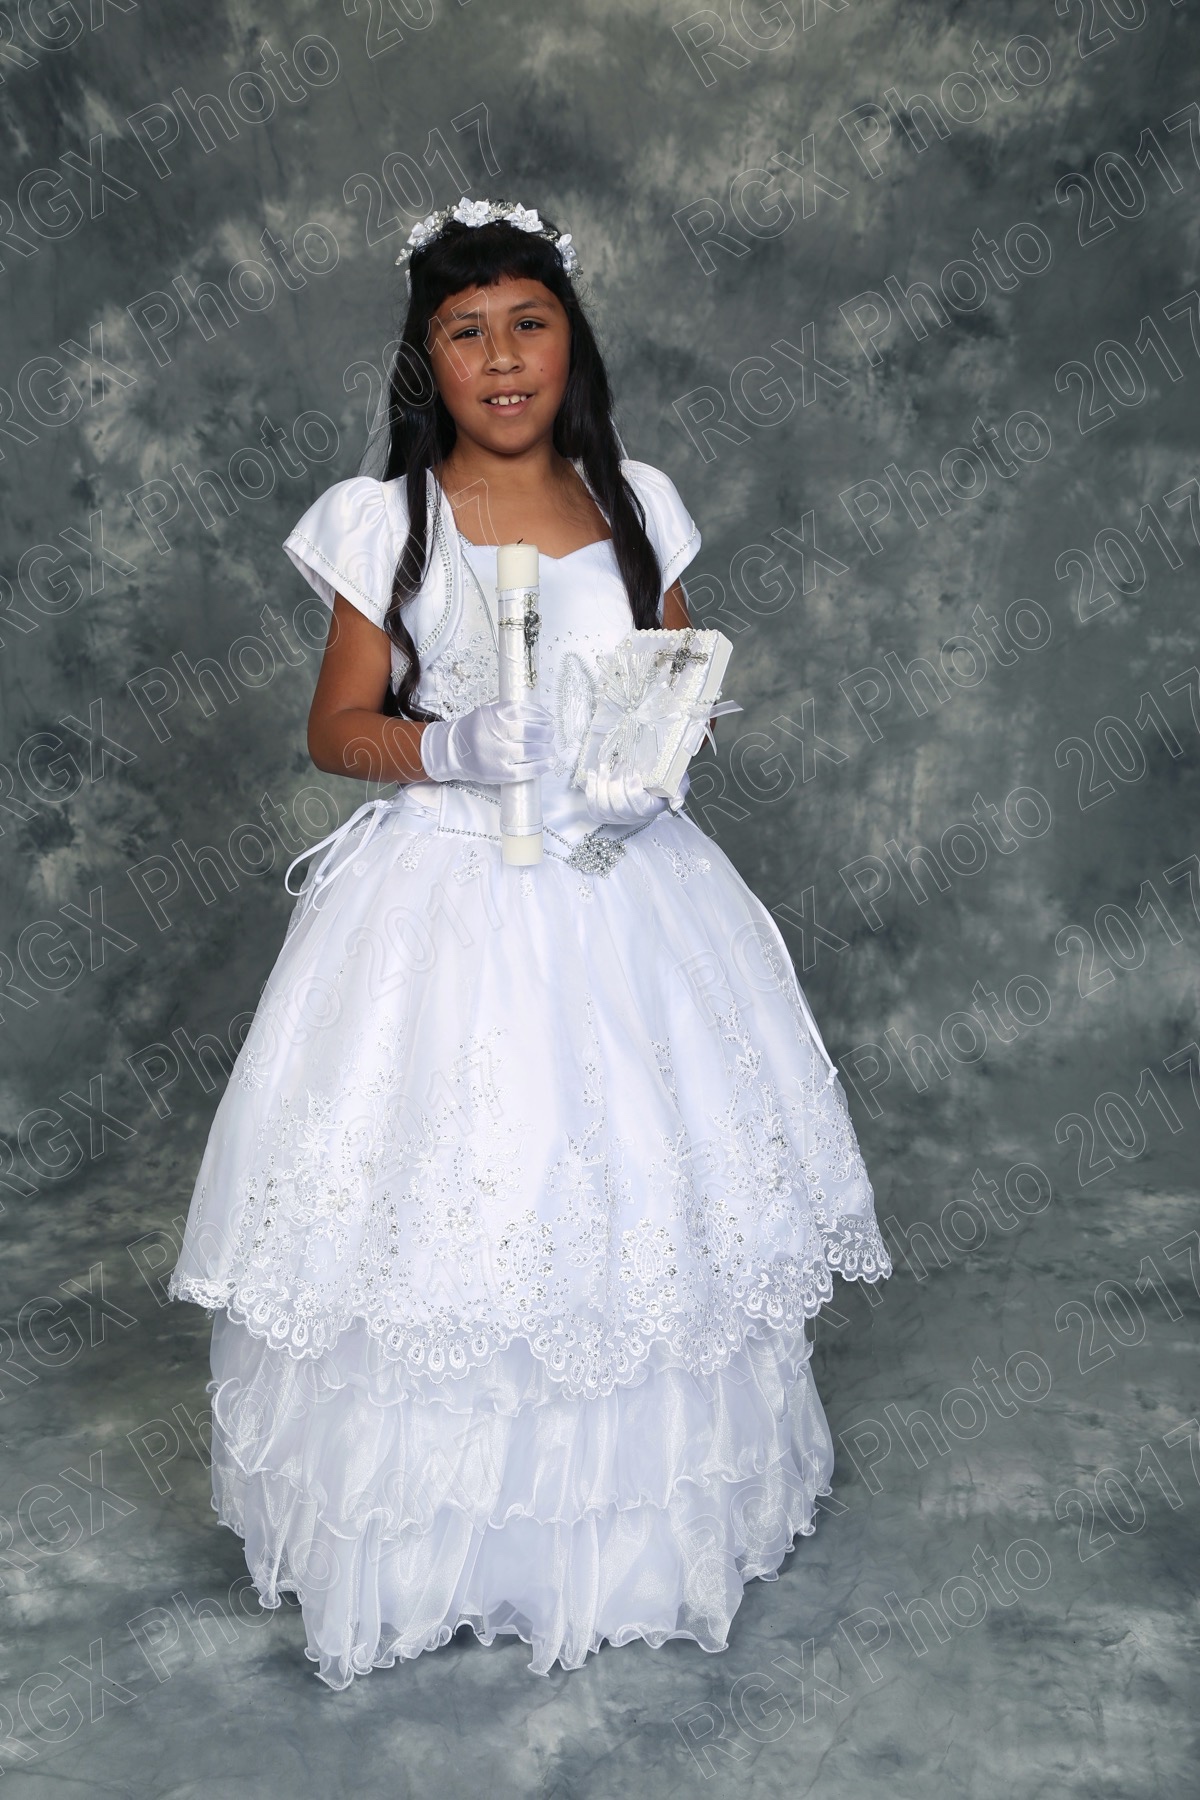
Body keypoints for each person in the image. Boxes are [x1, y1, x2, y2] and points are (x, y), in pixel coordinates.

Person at [168, 196, 892, 1689]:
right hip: (448, 893)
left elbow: (677, 669)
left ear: (572, 340)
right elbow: (337, 728)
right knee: (461, 1178)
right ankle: (438, 1536)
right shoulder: (392, 521)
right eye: (465, 332)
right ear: (426, 359)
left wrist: (656, 752)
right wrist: (447, 746)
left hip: (620, 882)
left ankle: (616, 1530)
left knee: (631, 1174)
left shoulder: (636, 503)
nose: (502, 359)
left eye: (529, 324)